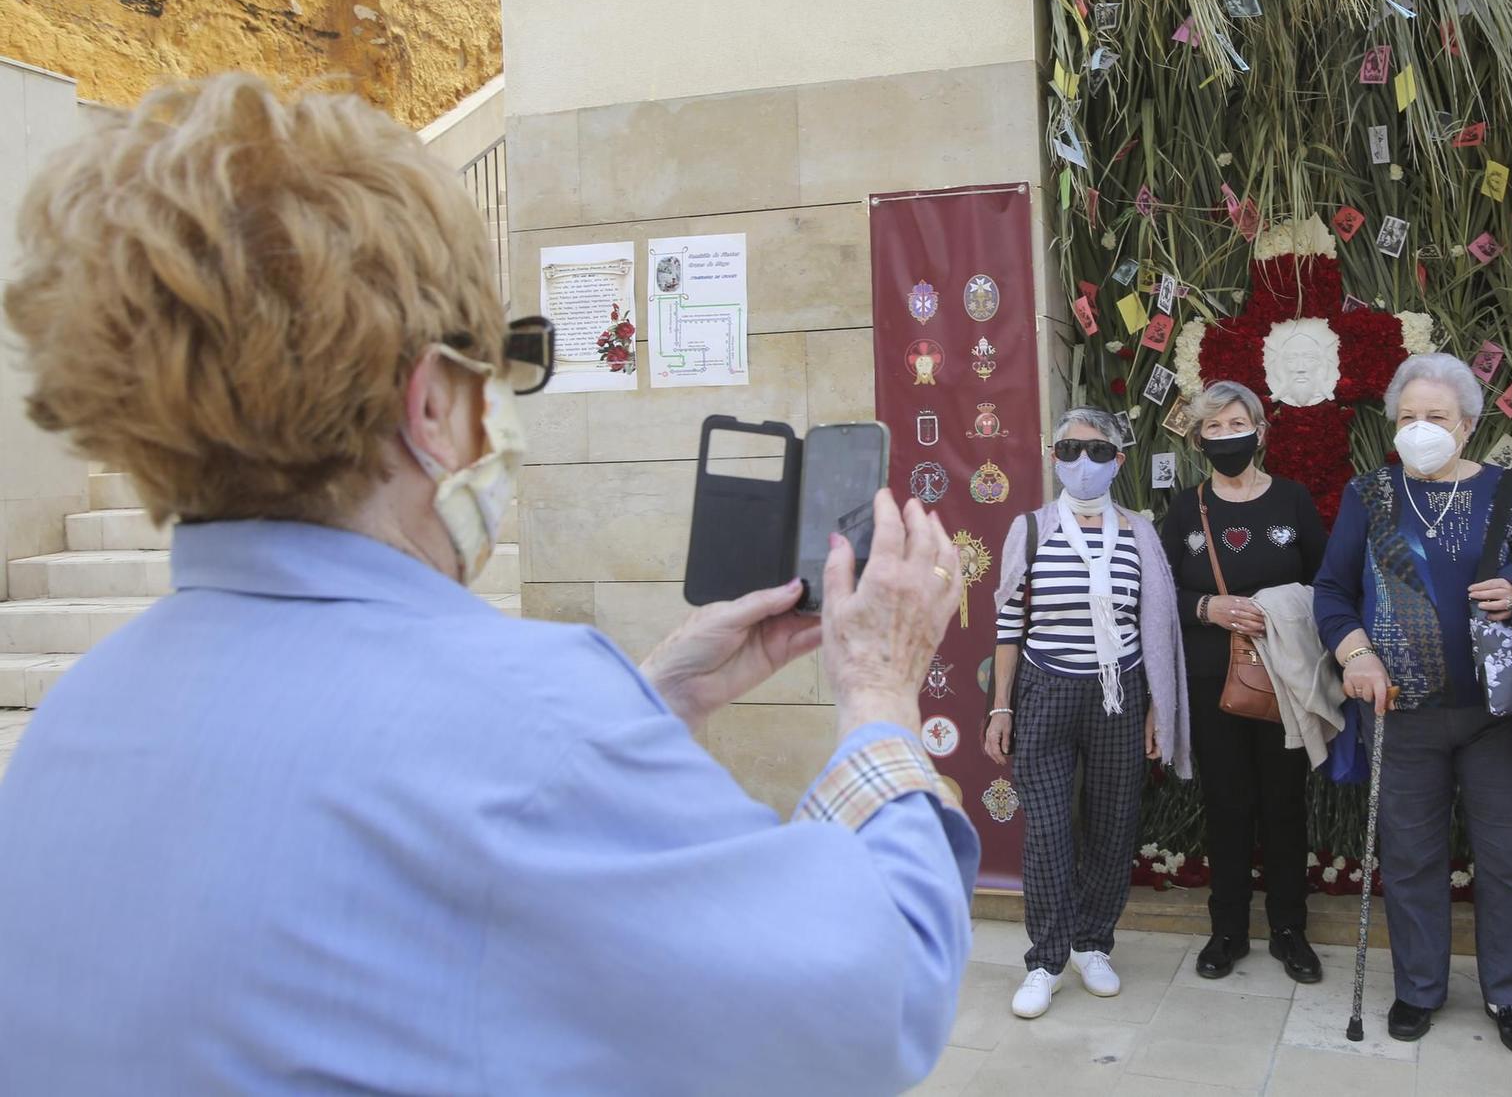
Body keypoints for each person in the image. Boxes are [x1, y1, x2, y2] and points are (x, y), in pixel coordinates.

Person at [0, 75, 977, 1096]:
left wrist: (652, 708)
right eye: (501, 368)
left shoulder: (74, 721)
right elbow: (876, 998)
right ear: (431, 406)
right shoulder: (531, 727)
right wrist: (878, 692)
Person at [1312, 353, 1512, 1057]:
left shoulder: (1510, 493)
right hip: (1400, 708)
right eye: (1408, 417)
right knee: (1411, 858)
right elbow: (1331, 589)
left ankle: (1510, 990)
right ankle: (1418, 987)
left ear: (1468, 425)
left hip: (1493, 713)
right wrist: (1357, 654)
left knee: (1508, 856)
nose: (1420, 429)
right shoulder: (1369, 494)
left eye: (1436, 417)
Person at [983, 407, 1192, 1020]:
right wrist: (1001, 705)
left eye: (1099, 452)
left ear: (1119, 462)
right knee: (1047, 829)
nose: (1083, 462)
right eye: (1071, 449)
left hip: (1120, 693)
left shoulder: (1139, 534)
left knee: (1113, 823)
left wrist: (1158, 707)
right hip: (1045, 690)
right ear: (1055, 456)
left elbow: (1156, 628)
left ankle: (1093, 943)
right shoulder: (1028, 529)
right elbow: (1006, 625)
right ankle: (1045, 961)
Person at [1158, 380, 1328, 984]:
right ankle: (1227, 930)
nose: (1227, 437)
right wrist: (1210, 609)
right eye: (1214, 428)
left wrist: (1280, 608)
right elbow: (1158, 595)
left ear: (1260, 429)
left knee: (1284, 804)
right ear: (1199, 437)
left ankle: (1289, 929)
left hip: (1283, 680)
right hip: (1212, 681)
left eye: (1237, 425)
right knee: (1226, 804)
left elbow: (1325, 585)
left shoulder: (1293, 500)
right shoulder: (1184, 509)